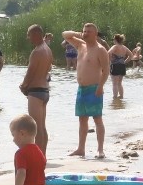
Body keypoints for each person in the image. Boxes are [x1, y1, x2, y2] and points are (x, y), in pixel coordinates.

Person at [63, 23, 110, 158]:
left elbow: (106, 70)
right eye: (85, 31)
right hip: (81, 89)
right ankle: (81, 148)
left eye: (89, 31)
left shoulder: (100, 50)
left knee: (97, 119)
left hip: (94, 88)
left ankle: (100, 149)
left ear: (96, 34)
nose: (86, 33)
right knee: (82, 119)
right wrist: (79, 34)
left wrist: (101, 86)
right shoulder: (80, 45)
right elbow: (65, 35)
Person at [19, 24, 53, 155]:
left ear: (36, 34)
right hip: (45, 90)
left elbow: (30, 71)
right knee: (42, 127)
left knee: (35, 127)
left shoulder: (37, 51)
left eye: (29, 35)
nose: (28, 38)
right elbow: (49, 68)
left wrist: (23, 85)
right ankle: (43, 154)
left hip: (35, 91)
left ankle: (38, 156)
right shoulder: (48, 49)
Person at [108, 34, 133, 99]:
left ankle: (115, 97)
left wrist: (110, 60)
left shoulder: (115, 46)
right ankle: (121, 96)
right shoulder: (124, 47)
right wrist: (124, 62)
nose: (113, 40)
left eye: (113, 39)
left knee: (114, 84)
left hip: (115, 65)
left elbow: (109, 53)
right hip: (122, 66)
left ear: (116, 40)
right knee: (119, 83)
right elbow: (131, 55)